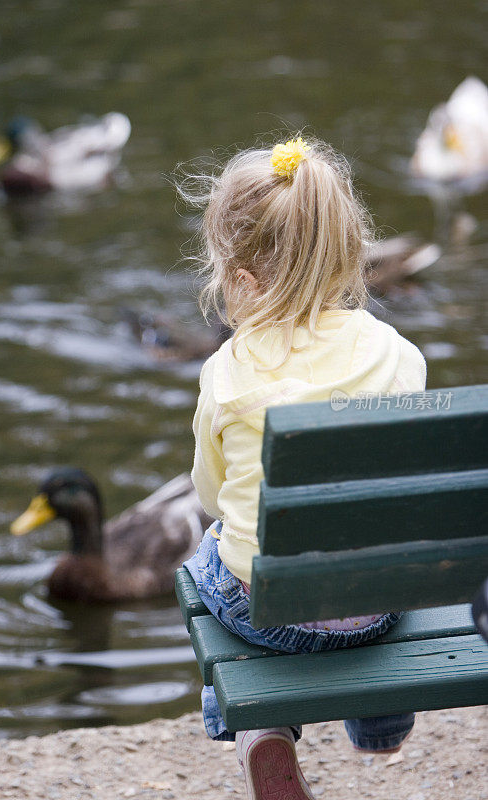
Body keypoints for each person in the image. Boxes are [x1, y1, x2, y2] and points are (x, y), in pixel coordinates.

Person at [181, 136, 425, 800]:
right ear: (350, 255)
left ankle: (260, 728)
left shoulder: (227, 373)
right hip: (374, 605)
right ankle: (380, 723)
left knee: (205, 557)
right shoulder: (396, 354)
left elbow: (209, 492)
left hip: (268, 611)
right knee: (372, 549)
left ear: (242, 277)